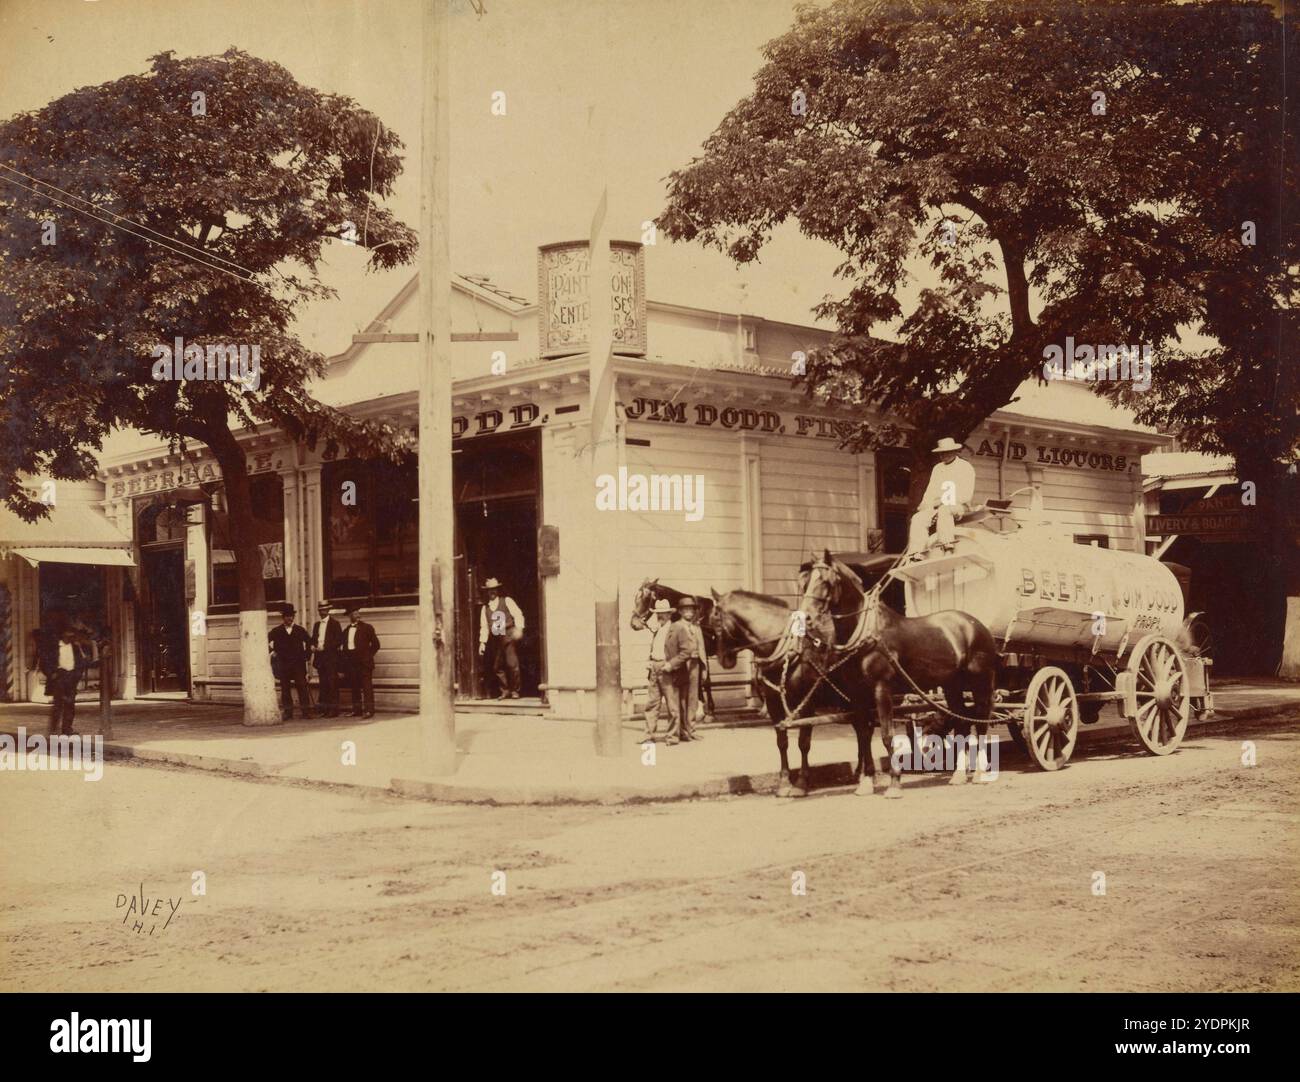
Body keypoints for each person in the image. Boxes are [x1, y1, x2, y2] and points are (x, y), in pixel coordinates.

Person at [908, 437, 977, 557]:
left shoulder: (965, 467)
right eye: (941, 453)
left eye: (946, 452)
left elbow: (966, 494)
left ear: (954, 451)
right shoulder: (937, 468)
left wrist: (943, 502)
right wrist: (925, 505)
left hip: (959, 505)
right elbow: (931, 491)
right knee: (918, 518)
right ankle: (917, 552)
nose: (943, 455)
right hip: (938, 505)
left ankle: (947, 546)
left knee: (944, 510)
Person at [661, 597, 705, 744]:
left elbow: (702, 650)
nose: (689, 612)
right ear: (680, 612)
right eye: (685, 609)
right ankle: (682, 731)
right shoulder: (677, 626)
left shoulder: (697, 628)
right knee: (681, 699)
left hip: (694, 666)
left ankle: (691, 729)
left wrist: (704, 668)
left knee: (693, 699)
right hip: (682, 666)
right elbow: (670, 647)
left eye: (691, 610)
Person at [478, 577, 524, 699]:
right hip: (495, 640)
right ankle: (505, 690)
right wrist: (482, 643)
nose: (492, 592)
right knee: (497, 666)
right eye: (489, 590)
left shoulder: (507, 601)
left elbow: (518, 614)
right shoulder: (485, 608)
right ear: (486, 592)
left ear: (497, 590)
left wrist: (519, 628)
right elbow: (484, 627)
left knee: (512, 664)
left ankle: (515, 690)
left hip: (508, 637)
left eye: (494, 590)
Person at [268, 604, 314, 720]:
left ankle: (306, 711)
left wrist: (306, 656)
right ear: (283, 617)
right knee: (285, 688)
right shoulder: (276, 631)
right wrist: (272, 652)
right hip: (283, 665)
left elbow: (309, 642)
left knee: (302, 687)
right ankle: (288, 712)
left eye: (292, 616)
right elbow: (265, 641)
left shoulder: (300, 630)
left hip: (298, 664)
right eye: (287, 616)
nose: (290, 618)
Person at [641, 599, 675, 741]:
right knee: (652, 704)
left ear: (669, 615)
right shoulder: (658, 630)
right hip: (654, 668)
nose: (660, 616)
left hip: (667, 668)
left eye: (663, 614)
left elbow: (680, 652)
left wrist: (671, 664)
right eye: (658, 614)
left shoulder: (674, 629)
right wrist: (650, 661)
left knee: (672, 705)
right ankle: (648, 735)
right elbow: (654, 649)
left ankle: (672, 736)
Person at [46, 627, 89, 736]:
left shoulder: (75, 647)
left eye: (72, 634)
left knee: (70, 703)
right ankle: (53, 729)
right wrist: (52, 674)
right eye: (69, 633)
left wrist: (77, 675)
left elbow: (82, 662)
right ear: (63, 634)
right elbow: (45, 662)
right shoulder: (54, 647)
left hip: (71, 677)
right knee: (58, 704)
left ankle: (67, 729)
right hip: (59, 676)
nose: (71, 636)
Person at [341, 604, 381, 718]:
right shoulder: (346, 631)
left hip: (364, 662)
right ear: (349, 616)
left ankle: (369, 710)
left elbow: (376, 645)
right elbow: (345, 648)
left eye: (358, 612)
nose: (357, 614)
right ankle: (356, 710)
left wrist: (368, 656)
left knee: (367, 686)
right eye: (354, 613)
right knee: (354, 686)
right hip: (352, 663)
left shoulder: (367, 628)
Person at [309, 601, 344, 718]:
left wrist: (325, 647)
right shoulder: (317, 625)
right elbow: (314, 638)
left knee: (332, 683)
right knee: (323, 684)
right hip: (320, 658)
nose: (322, 612)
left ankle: (334, 710)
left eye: (324, 609)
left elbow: (338, 640)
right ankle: (325, 709)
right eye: (320, 610)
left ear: (328, 610)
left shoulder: (335, 624)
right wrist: (313, 645)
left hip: (331, 658)